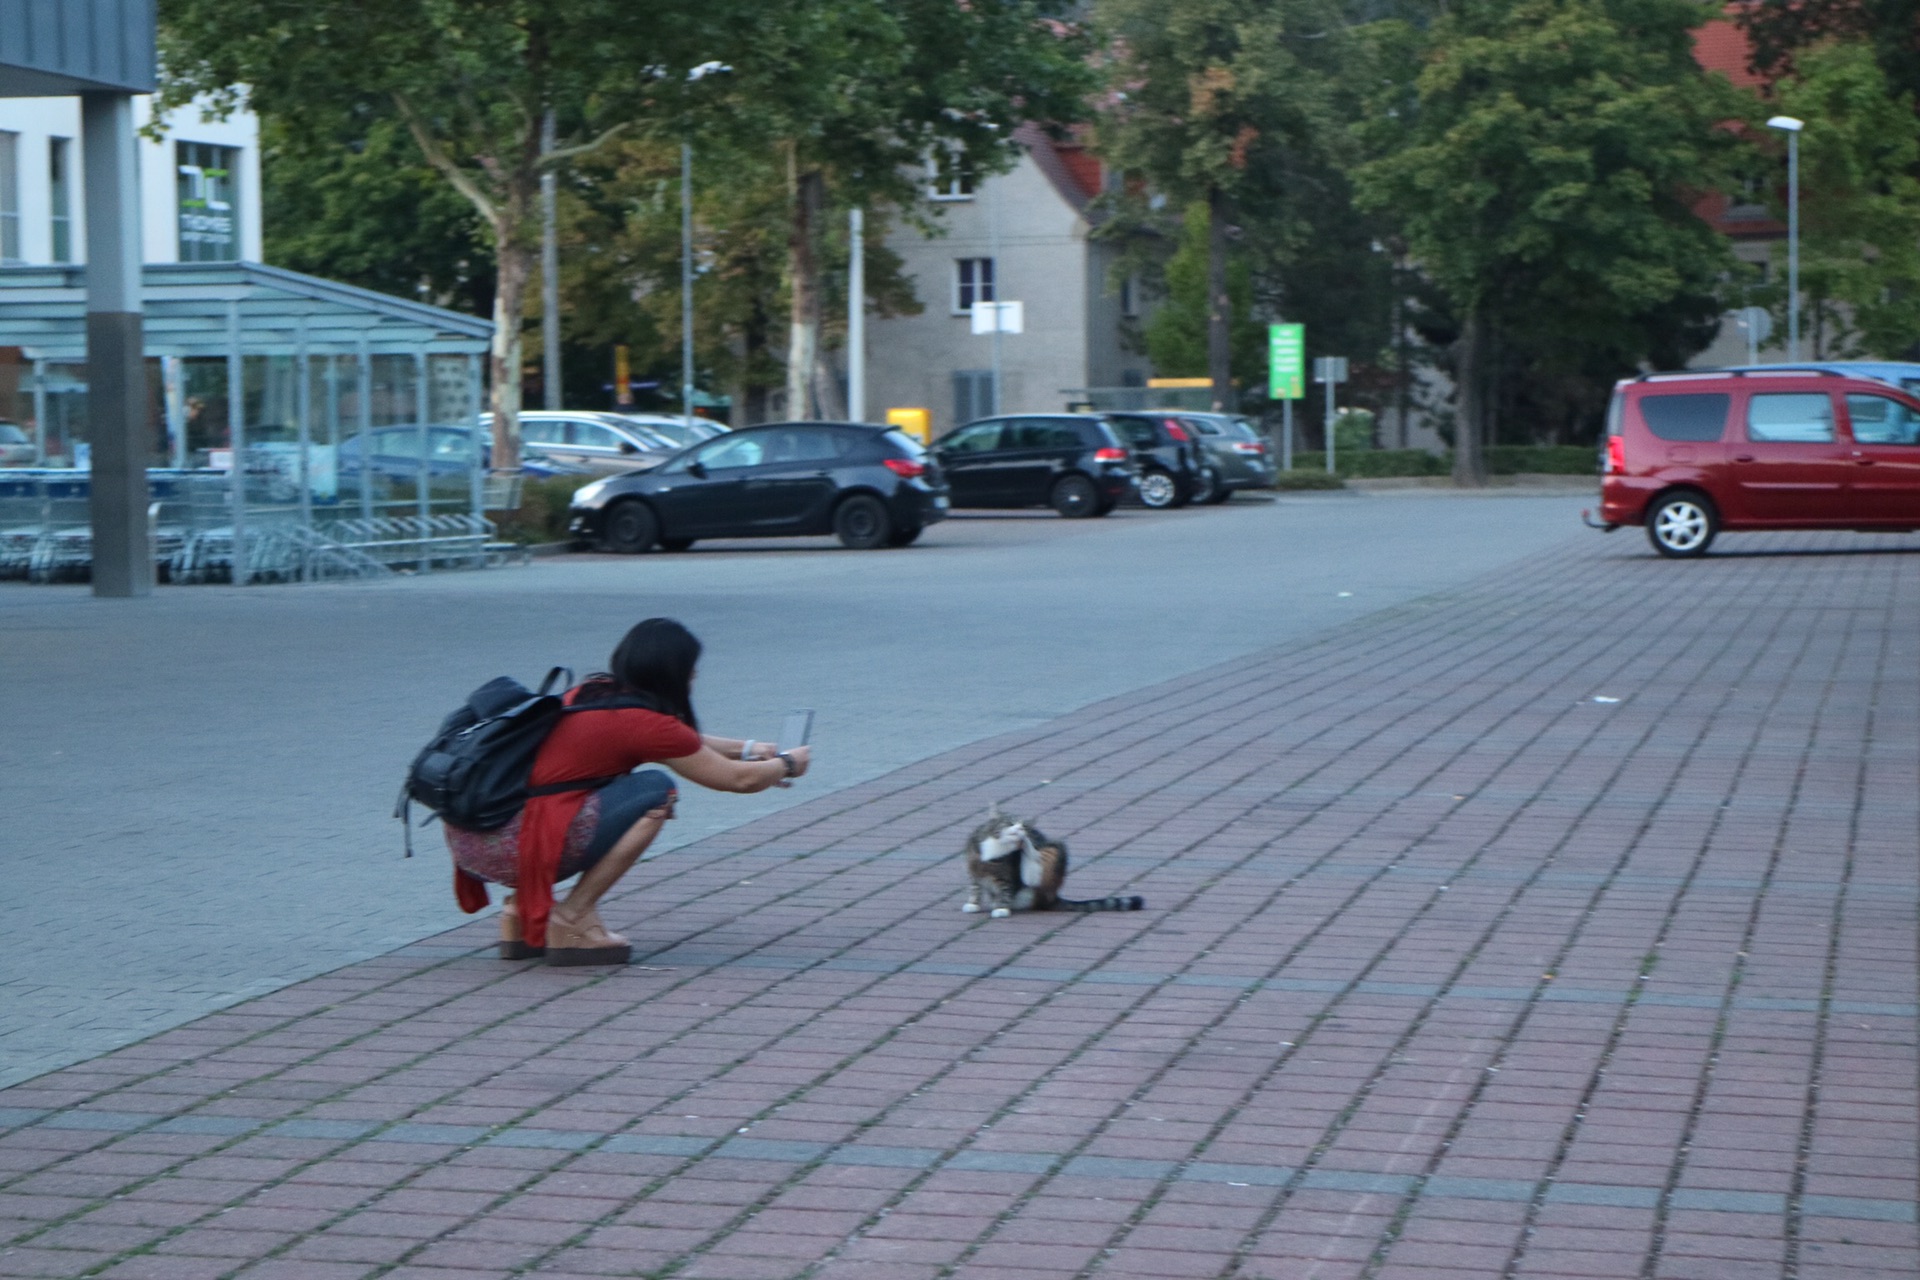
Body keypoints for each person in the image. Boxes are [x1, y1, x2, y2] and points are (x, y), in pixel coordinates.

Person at [445, 618, 810, 965]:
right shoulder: (645, 723)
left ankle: (519, 912)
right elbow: (736, 780)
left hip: (472, 844)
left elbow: (682, 743)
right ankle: (572, 918)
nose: (695, 677)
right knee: (656, 791)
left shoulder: (589, 693)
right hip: (516, 849)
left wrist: (748, 749)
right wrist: (789, 764)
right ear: (674, 673)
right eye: (692, 670)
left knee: (575, 793)